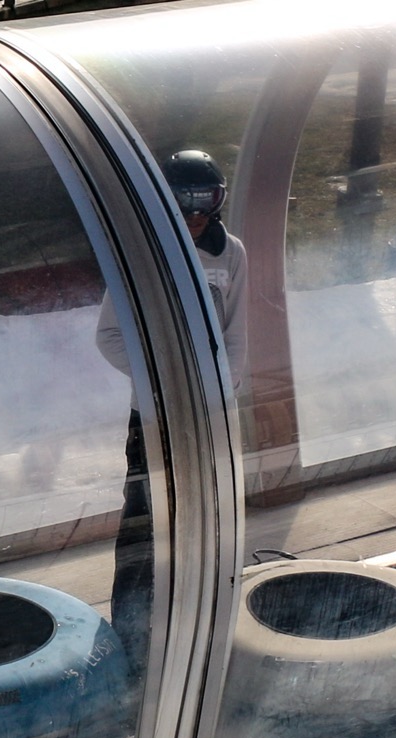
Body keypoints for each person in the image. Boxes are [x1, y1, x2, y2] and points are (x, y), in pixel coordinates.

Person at [97, 149, 248, 684]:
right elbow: (110, 336)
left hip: (209, 412)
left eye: (206, 201)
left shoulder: (230, 253)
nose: (195, 214)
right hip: (157, 416)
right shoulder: (141, 250)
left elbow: (236, 333)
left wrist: (218, 391)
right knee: (145, 524)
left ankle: (194, 623)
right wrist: (165, 383)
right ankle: (132, 636)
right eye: (183, 202)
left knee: (205, 519)